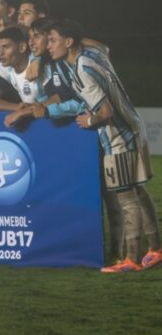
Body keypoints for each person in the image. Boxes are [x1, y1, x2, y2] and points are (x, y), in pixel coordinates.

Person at [47, 20, 162, 272]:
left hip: (118, 136)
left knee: (126, 198)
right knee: (138, 190)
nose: (48, 46)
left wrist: (89, 120)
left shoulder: (81, 71)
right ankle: (155, 248)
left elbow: (106, 112)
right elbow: (104, 47)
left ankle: (130, 259)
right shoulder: (93, 55)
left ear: (69, 42)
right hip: (133, 126)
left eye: (53, 40)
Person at [0, 27, 42, 120]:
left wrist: (26, 110)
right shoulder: (5, 68)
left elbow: (58, 98)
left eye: (6, 47)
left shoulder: (39, 63)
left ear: (22, 47)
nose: (1, 53)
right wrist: (19, 108)